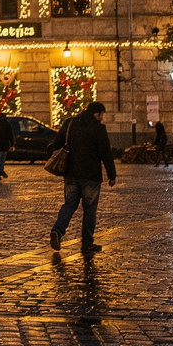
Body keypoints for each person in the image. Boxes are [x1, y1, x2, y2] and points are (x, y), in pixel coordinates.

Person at [51, 101, 117, 253]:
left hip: (71, 173)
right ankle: (87, 243)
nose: (102, 118)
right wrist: (111, 174)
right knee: (89, 209)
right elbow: (105, 153)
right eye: (102, 115)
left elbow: (56, 144)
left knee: (69, 205)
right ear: (97, 114)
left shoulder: (70, 123)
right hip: (91, 176)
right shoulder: (98, 128)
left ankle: (57, 230)